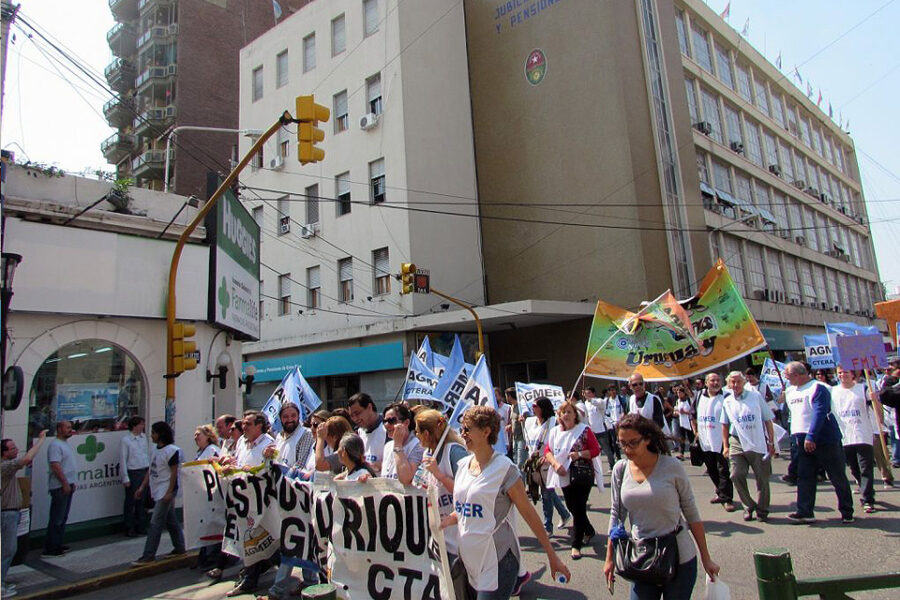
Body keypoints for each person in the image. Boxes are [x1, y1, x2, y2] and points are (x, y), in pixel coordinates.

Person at [443, 406, 570, 599]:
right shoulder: (462, 467)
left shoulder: (504, 469)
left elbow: (529, 513)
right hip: (469, 561)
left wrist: (552, 556)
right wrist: (441, 522)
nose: (463, 434)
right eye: (462, 429)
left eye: (468, 429)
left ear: (486, 432)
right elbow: (464, 510)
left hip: (498, 561)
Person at [604, 414, 720, 599]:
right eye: (622, 443)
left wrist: (706, 558)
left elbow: (691, 513)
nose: (627, 449)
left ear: (647, 439)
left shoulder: (671, 466)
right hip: (641, 556)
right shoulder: (621, 469)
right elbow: (616, 514)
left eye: (633, 443)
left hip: (678, 555)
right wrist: (609, 558)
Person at [783, 361, 854, 524]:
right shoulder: (790, 391)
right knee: (805, 476)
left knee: (837, 476)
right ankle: (805, 511)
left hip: (824, 439)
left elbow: (819, 412)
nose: (788, 380)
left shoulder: (818, 388)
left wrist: (811, 436)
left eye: (789, 377)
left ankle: (846, 511)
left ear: (798, 375)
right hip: (802, 441)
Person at [220, 411, 276, 596]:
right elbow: (239, 464)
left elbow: (272, 469)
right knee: (249, 541)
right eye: (243, 424)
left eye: (248, 424)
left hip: (264, 504)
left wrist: (251, 470)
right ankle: (250, 579)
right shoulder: (242, 443)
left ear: (259, 426)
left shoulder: (269, 443)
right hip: (245, 503)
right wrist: (230, 465)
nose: (243, 427)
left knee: (269, 542)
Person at [543, 401, 601, 560]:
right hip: (563, 474)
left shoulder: (584, 430)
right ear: (559, 416)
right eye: (563, 412)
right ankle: (588, 530)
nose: (566, 415)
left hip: (582, 474)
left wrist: (580, 454)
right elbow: (548, 451)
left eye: (569, 412)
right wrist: (555, 465)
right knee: (572, 507)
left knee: (579, 507)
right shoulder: (555, 432)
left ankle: (576, 545)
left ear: (575, 415)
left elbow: (596, 450)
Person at [720, 371, 776, 522]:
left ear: (744, 382)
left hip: (756, 440)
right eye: (732, 382)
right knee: (735, 474)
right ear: (728, 384)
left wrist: (771, 442)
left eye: (738, 381)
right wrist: (725, 446)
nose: (735, 385)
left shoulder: (755, 397)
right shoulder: (727, 401)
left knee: (762, 478)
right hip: (736, 441)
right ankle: (749, 505)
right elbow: (724, 424)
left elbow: (768, 420)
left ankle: (762, 510)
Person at [131, 422, 186, 565]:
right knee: (171, 519)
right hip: (157, 489)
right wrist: (142, 487)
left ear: (160, 434)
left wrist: (169, 492)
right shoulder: (155, 449)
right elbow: (151, 470)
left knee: (155, 522)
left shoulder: (172, 451)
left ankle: (148, 555)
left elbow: (174, 472)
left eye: (153, 432)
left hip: (165, 491)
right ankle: (180, 546)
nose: (151, 435)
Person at [2, 431, 47, 596]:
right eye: (12, 448)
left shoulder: (8, 466)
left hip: (10, 512)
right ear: (4, 453)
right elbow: (27, 459)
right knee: (8, 550)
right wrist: (41, 440)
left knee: (7, 550)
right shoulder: (5, 466)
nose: (16, 450)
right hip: (6, 513)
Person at [832, 367, 877, 513]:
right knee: (854, 468)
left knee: (866, 467)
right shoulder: (833, 391)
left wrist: (874, 399)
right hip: (845, 435)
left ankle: (867, 499)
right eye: (839, 372)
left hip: (862, 433)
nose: (842, 375)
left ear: (853, 374)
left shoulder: (863, 388)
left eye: (845, 372)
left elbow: (876, 408)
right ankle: (864, 487)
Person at [523, 397, 570, 535]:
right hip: (534, 463)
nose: (533, 408)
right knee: (548, 491)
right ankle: (564, 513)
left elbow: (559, 440)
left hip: (547, 462)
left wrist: (552, 457)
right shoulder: (531, 422)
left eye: (535, 406)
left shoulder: (552, 422)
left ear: (543, 407)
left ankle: (547, 526)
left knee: (546, 494)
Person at [691, 373, 736, 512]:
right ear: (706, 383)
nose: (715, 383)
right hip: (705, 439)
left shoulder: (726, 396)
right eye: (712, 380)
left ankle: (727, 498)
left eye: (718, 380)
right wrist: (696, 432)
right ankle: (720, 492)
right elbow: (693, 415)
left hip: (721, 439)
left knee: (723, 469)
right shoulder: (699, 396)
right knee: (711, 469)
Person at [44, 421, 77, 557]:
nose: (70, 430)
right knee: (57, 518)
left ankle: (58, 544)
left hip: (67, 485)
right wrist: (64, 483)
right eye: (67, 428)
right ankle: (51, 548)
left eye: (70, 428)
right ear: (59, 429)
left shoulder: (64, 444)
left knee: (62, 517)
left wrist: (71, 482)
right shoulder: (55, 446)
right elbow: (55, 465)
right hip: (59, 487)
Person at [120, 416, 150, 538]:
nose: (142, 427)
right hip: (133, 471)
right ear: (135, 425)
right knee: (131, 500)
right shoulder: (126, 440)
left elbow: (147, 454)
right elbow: (123, 458)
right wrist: (125, 477)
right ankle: (129, 526)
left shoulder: (143, 438)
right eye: (141, 424)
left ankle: (141, 525)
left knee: (142, 501)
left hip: (144, 470)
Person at [381, 402, 424, 484]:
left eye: (391, 420)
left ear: (406, 423)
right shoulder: (388, 446)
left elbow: (406, 479)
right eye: (384, 421)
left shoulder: (418, 445)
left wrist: (398, 445)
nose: (386, 425)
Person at [348, 393, 386, 473]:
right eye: (352, 416)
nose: (355, 419)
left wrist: (369, 467)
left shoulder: (387, 429)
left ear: (369, 407)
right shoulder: (358, 432)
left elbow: (394, 461)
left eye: (357, 413)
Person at [583, 386, 614, 470]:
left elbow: (598, 403)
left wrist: (590, 399)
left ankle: (612, 465)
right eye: (586, 393)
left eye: (589, 393)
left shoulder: (600, 401)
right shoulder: (586, 403)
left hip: (601, 430)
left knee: (606, 449)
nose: (587, 395)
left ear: (593, 393)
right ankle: (594, 467)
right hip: (592, 431)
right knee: (593, 450)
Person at [505, 388, 527, 469]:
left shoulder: (521, 407)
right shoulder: (511, 407)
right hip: (515, 438)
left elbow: (528, 421)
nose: (506, 398)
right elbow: (512, 421)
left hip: (522, 438)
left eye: (506, 396)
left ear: (510, 396)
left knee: (521, 462)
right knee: (515, 460)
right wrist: (510, 426)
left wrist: (523, 420)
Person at [672, 385, 694, 460]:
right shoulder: (678, 401)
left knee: (691, 438)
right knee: (682, 438)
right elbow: (676, 410)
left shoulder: (688, 400)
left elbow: (693, 412)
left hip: (689, 423)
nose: (679, 394)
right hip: (681, 422)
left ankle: (693, 453)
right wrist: (677, 412)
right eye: (678, 393)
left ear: (684, 393)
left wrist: (685, 412)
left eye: (680, 392)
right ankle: (681, 453)